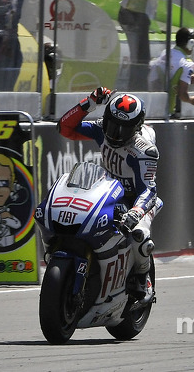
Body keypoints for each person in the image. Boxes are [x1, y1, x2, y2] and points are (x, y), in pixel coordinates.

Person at [57, 87, 161, 301]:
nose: (115, 133)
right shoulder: (101, 129)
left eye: (123, 129)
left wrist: (136, 212)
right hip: (107, 192)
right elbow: (65, 128)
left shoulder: (144, 151)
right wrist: (90, 102)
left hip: (137, 201)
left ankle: (142, 279)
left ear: (136, 127)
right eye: (112, 125)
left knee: (139, 235)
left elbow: (149, 190)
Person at [149, 27, 194, 116]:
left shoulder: (165, 53)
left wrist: (188, 78)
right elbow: (182, 95)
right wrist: (192, 100)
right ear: (190, 43)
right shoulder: (187, 64)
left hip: (151, 107)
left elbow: (169, 76)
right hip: (167, 111)